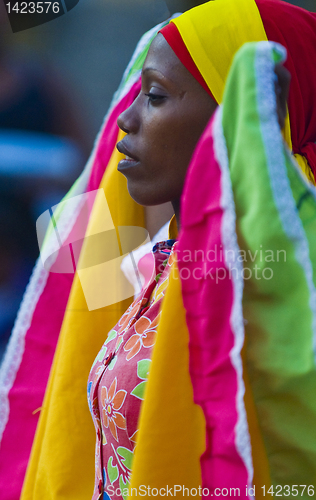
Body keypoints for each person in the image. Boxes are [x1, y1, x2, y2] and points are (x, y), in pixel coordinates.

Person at [17, 0, 316, 499]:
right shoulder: (156, 260)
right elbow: (63, 313)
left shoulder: (283, 277)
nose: (125, 120)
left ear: (249, 110)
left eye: (154, 96)